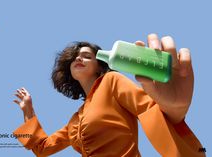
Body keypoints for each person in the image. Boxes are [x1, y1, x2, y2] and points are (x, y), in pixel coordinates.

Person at [13, 34, 205, 157]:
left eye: (87, 56)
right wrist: (29, 113)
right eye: (75, 57)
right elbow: (42, 148)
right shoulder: (75, 120)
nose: (79, 58)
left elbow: (149, 108)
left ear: (99, 65)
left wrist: (175, 112)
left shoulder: (111, 81)